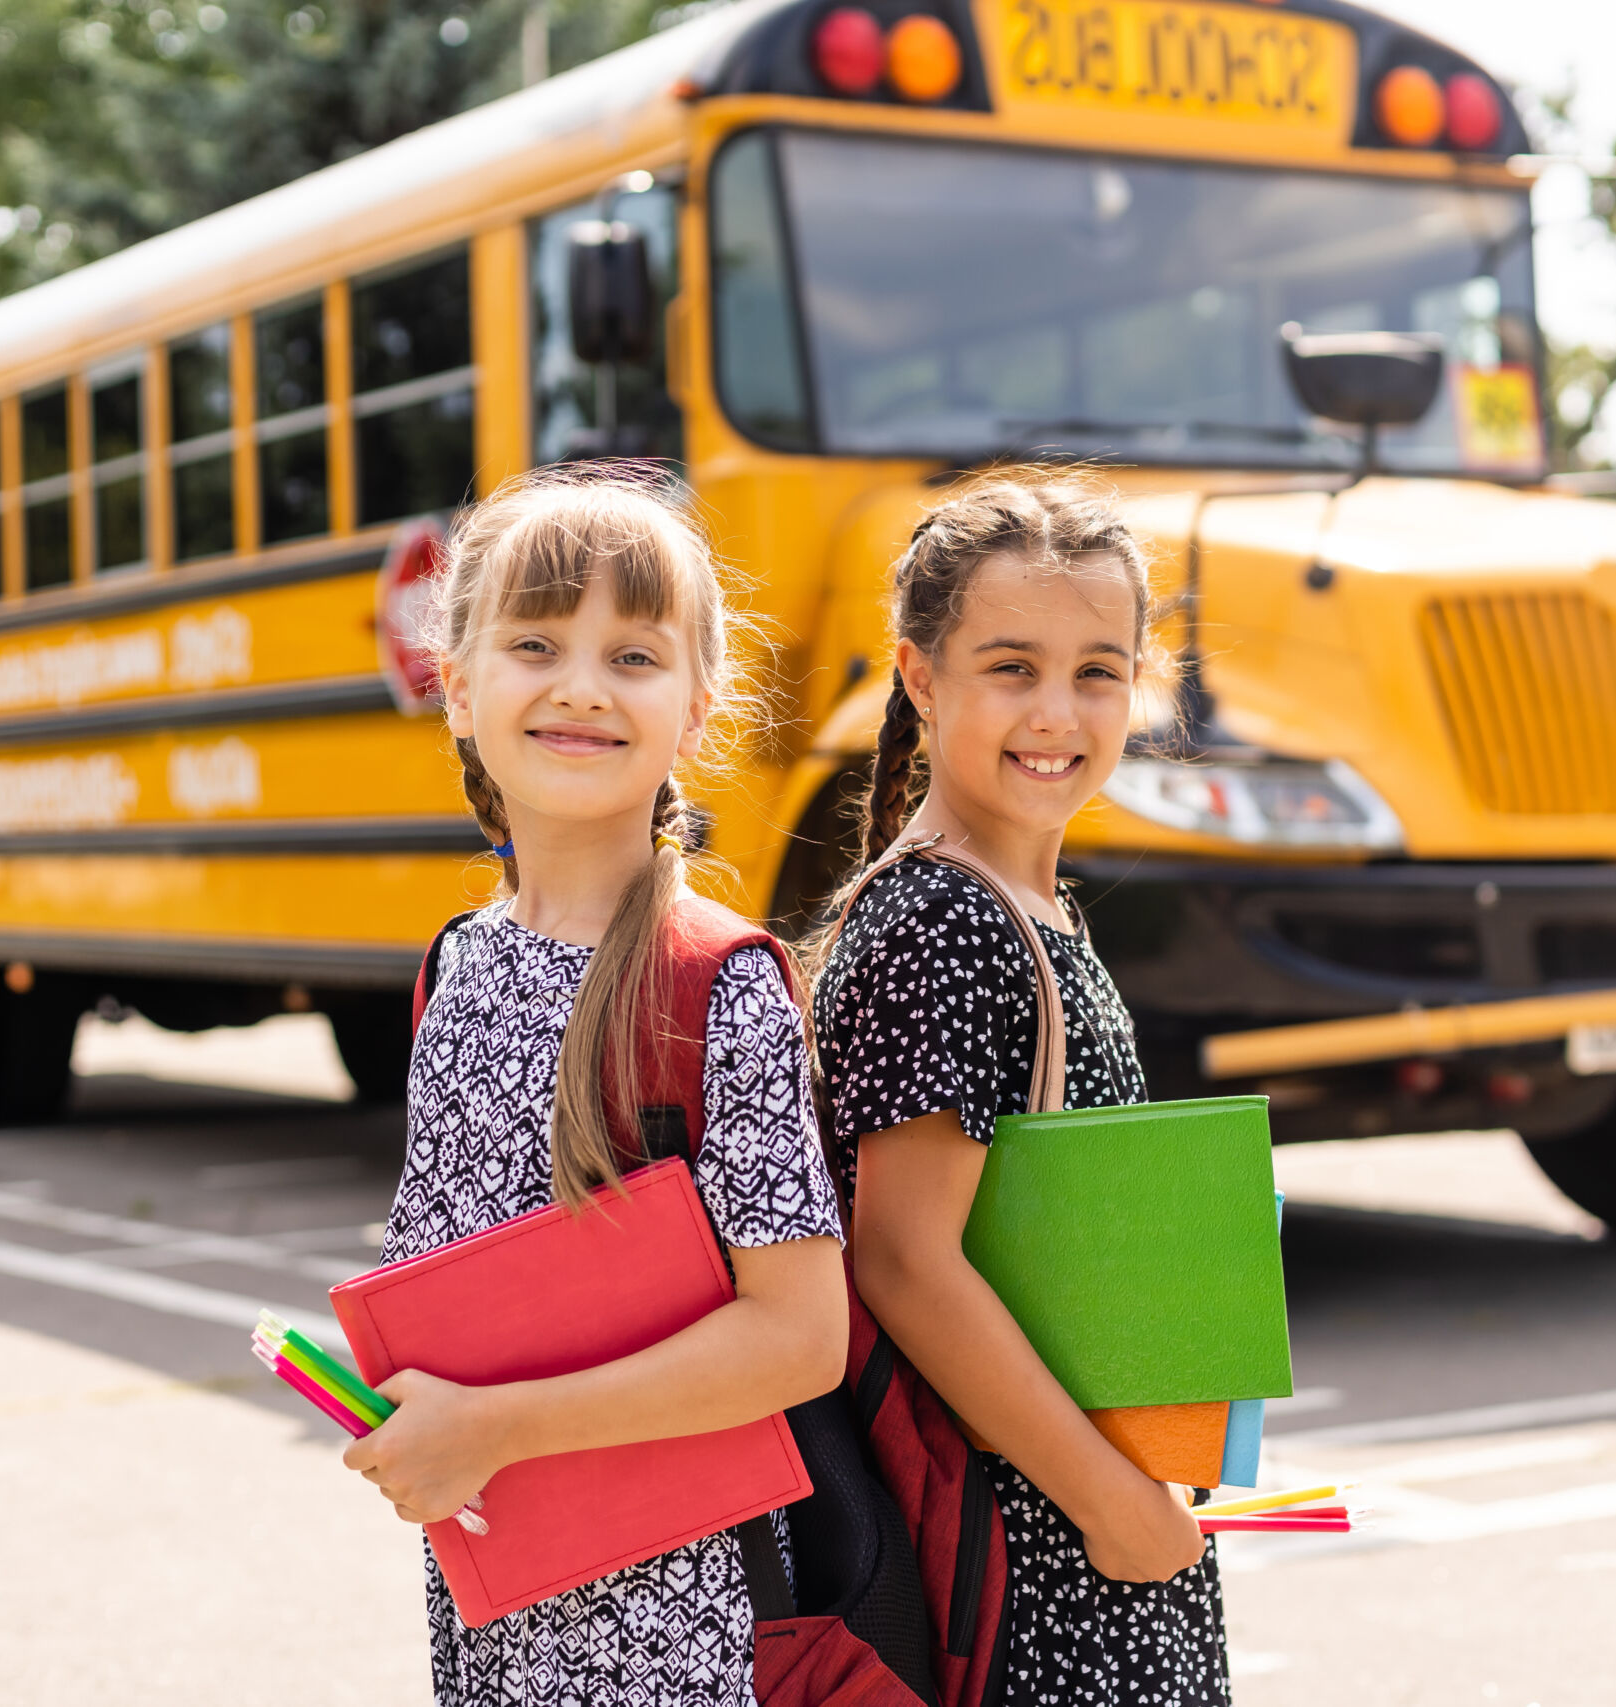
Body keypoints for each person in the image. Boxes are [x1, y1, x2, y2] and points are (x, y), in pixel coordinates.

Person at [344, 469, 847, 1707]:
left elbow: (800, 1335)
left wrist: (495, 1427)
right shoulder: (458, 966)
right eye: (533, 643)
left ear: (695, 709)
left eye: (632, 654)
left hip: (685, 1633)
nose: (578, 685)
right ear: (456, 687)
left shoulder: (716, 986)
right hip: (497, 1598)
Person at [810, 476, 1230, 1706]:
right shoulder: (941, 921)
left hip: (1086, 1521)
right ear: (920, 677)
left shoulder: (1025, 913)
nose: (1057, 712)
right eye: (1011, 667)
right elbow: (905, 1261)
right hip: (1033, 1562)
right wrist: (1111, 1502)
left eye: (1099, 672)